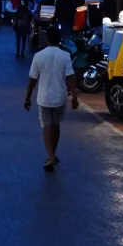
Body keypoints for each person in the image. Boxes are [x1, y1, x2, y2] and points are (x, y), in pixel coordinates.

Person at [24, 25, 79, 171]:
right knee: (56, 126)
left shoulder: (39, 56)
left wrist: (27, 97)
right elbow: (70, 78)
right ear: (59, 39)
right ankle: (51, 156)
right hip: (60, 97)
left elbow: (33, 80)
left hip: (44, 98)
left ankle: (51, 155)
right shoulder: (65, 56)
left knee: (46, 126)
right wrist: (74, 96)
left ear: (47, 38)